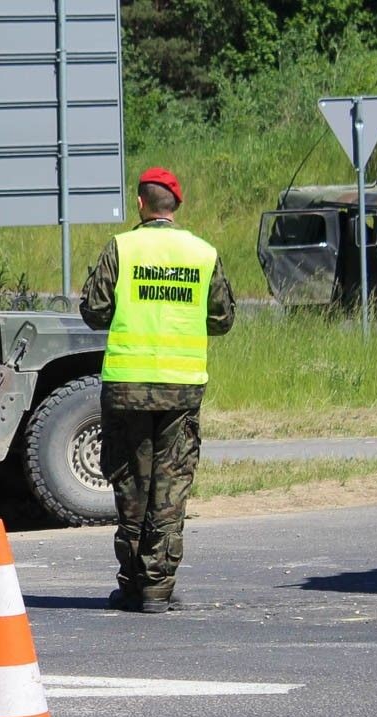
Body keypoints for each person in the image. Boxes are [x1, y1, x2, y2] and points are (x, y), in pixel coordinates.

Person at [79, 167, 236, 613]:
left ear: (141, 205)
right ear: (176, 208)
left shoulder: (122, 248)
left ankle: (131, 584)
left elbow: (93, 310)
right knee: (170, 489)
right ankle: (157, 589)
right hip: (181, 388)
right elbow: (222, 319)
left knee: (130, 484)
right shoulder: (202, 253)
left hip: (127, 387)